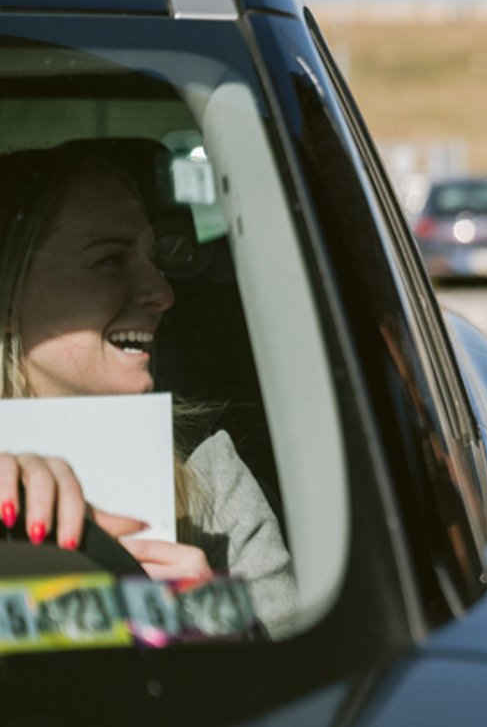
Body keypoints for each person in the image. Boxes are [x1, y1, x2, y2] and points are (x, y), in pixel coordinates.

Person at [0, 144, 299, 638]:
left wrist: (220, 631)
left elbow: (304, 692)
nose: (163, 292)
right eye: (110, 261)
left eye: (154, 257)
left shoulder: (210, 477)